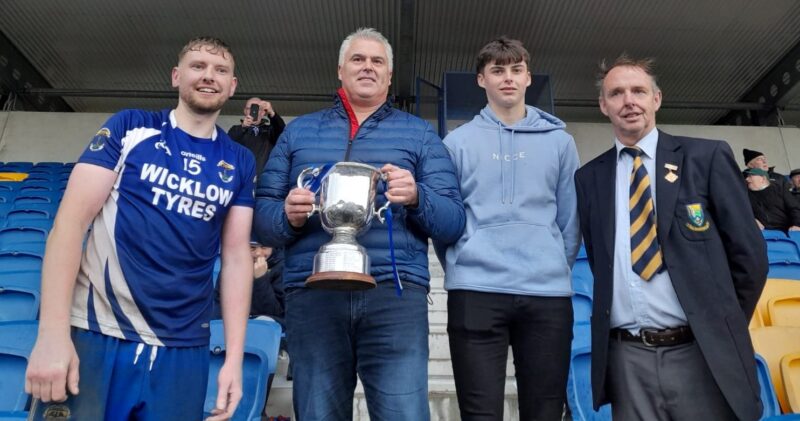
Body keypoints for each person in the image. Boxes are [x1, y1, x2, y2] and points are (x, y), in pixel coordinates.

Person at [24, 37, 255, 421]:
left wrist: (232, 360)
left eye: (221, 71)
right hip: (96, 332)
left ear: (232, 86)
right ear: (176, 76)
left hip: (183, 349)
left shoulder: (239, 160)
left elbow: (235, 259)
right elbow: (69, 224)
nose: (208, 77)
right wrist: (51, 334)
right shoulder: (131, 126)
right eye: (197, 66)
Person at [254, 27, 465, 420]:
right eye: (358, 59)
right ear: (340, 70)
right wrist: (287, 215)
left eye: (377, 61)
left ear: (388, 75)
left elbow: (452, 222)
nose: (367, 67)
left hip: (394, 295)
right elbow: (263, 221)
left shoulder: (419, 134)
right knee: (317, 413)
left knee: (404, 414)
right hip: (312, 292)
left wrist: (418, 195)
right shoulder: (298, 132)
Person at [574, 55, 768, 421]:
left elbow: (750, 257)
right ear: (603, 105)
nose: (628, 101)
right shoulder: (588, 179)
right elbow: (603, 263)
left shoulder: (705, 157)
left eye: (638, 91)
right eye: (616, 93)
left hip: (701, 354)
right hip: (627, 359)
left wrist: (718, 327)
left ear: (657, 99)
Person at [436, 37, 579, 420]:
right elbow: (447, 220)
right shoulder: (456, 143)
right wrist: (463, 259)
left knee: (545, 410)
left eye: (516, 70)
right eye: (498, 70)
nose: (508, 79)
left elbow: (569, 219)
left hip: (547, 293)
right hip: (476, 290)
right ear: (481, 80)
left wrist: (551, 265)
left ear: (528, 77)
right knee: (479, 412)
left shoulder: (561, 143)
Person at [212, 241, 285, 324]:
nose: (258, 253)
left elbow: (276, 312)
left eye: (264, 247)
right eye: (252, 247)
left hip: (270, 324)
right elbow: (219, 304)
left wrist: (260, 279)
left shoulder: (282, 267)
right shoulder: (231, 266)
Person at [228, 97, 286, 180]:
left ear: (263, 112)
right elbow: (228, 145)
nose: (253, 111)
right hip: (240, 178)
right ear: (245, 111)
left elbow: (282, 130)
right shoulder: (236, 129)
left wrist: (272, 113)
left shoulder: (270, 131)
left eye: (257, 108)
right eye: (249, 108)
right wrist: (243, 128)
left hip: (264, 179)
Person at [745, 167, 800, 232]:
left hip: (787, 230)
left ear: (763, 178)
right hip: (764, 233)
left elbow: (794, 208)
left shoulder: (780, 190)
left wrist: (797, 225)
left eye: (750, 176)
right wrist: (752, 220)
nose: (747, 179)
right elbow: (742, 212)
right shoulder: (746, 196)